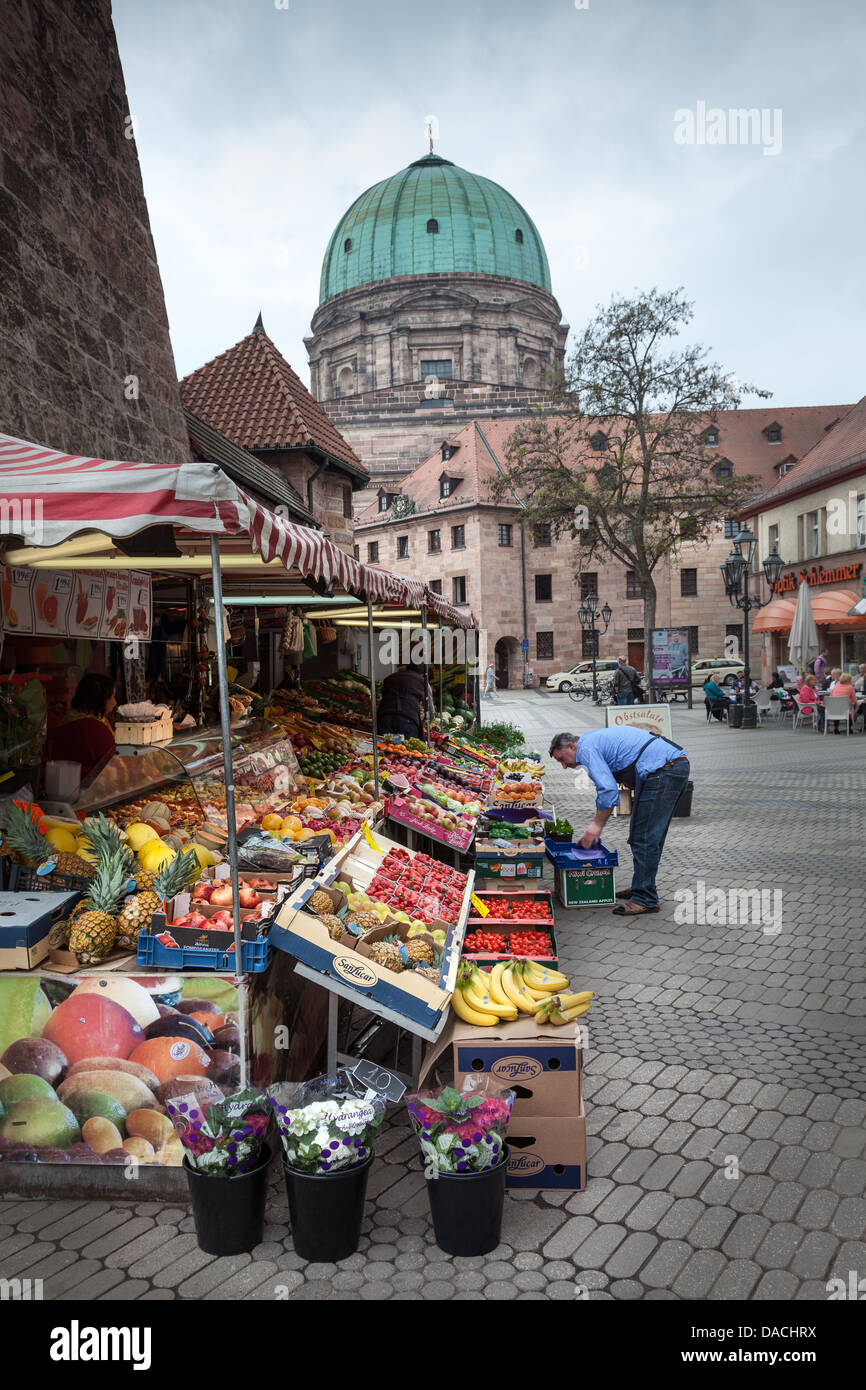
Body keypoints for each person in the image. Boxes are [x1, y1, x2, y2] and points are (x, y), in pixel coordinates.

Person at [549, 728, 690, 915]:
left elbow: (608, 790)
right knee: (642, 835)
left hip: (664, 770)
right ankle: (641, 886)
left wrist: (596, 825)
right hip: (666, 769)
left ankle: (645, 898)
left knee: (645, 837)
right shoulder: (590, 742)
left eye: (562, 759)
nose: (564, 766)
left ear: (571, 746)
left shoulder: (586, 748)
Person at [45, 672, 117, 781]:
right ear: (100, 701)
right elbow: (113, 763)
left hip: (63, 785)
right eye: (112, 697)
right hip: (89, 789)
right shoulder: (94, 728)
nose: (114, 702)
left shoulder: (69, 719)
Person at [376, 663, 434, 739]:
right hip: (407, 720)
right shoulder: (423, 682)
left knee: (384, 746)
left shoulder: (390, 677)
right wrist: (425, 723)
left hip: (385, 716)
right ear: (422, 674)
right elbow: (429, 710)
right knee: (404, 749)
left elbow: (383, 697)